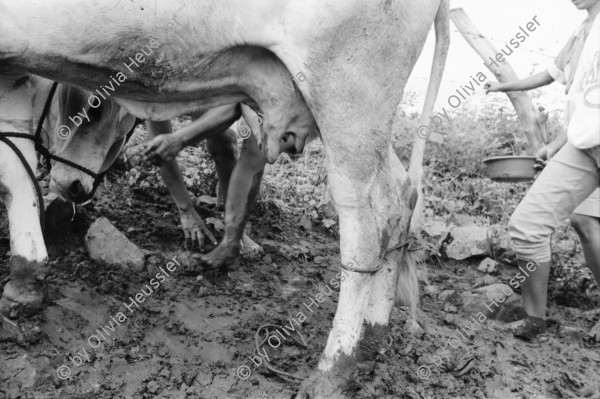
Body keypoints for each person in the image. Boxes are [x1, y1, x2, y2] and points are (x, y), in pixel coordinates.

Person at [484, 0, 600, 340]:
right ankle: (535, 320)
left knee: (587, 223)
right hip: (586, 143)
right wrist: (560, 142)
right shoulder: (585, 33)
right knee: (527, 226)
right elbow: (588, 104)